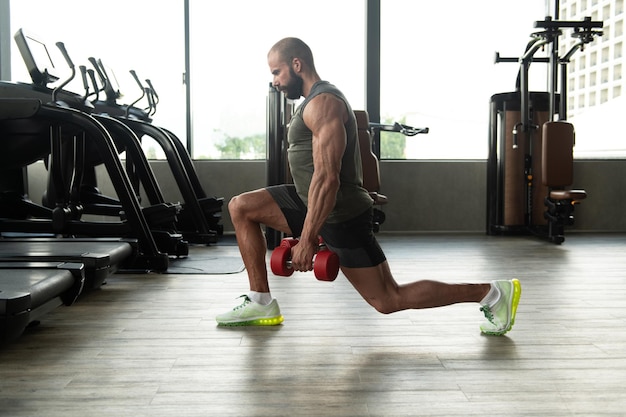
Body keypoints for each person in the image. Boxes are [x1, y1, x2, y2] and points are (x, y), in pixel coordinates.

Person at [216, 37, 521, 336]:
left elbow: (327, 178)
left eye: (277, 72)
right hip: (306, 199)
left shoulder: (324, 103)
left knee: (388, 299)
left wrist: (307, 238)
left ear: (297, 65)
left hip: (340, 213)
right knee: (241, 206)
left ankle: (492, 293)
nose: (275, 82)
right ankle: (260, 301)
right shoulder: (311, 102)